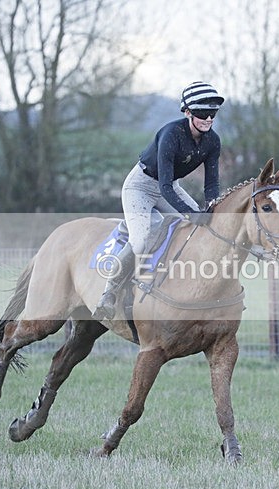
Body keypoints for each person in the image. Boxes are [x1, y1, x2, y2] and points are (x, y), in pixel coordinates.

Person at [93, 81, 225, 320]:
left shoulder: (212, 141)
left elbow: (211, 185)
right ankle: (108, 294)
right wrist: (191, 213)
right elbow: (162, 187)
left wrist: (211, 207)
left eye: (212, 113)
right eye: (201, 113)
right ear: (187, 112)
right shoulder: (171, 134)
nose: (208, 118)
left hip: (171, 186)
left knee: (202, 230)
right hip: (141, 187)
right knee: (141, 242)